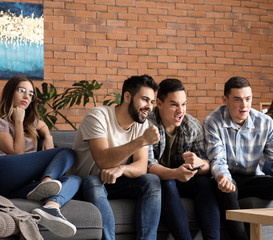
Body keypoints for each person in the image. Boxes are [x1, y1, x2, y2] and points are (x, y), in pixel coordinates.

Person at [69, 74, 162, 240]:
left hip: (116, 183)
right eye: (145, 100)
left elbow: (141, 167)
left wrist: (122, 168)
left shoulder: (142, 124)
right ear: (127, 96)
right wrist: (141, 141)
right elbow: (103, 160)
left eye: (152, 102)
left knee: (152, 180)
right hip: (87, 184)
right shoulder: (98, 117)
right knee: (92, 180)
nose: (149, 106)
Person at [203, 76, 273, 240]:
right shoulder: (213, 121)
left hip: (252, 178)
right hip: (227, 178)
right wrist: (223, 177)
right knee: (228, 188)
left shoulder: (265, 123)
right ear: (225, 100)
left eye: (248, 99)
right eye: (237, 99)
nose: (244, 105)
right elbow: (217, 159)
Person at [0, 75, 81, 238]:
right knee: (66, 152)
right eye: (21, 91)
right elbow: (17, 153)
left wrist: (48, 136)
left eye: (30, 94)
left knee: (76, 180)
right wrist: (18, 121)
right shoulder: (2, 122)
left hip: (21, 185)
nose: (26, 97)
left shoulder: (29, 122)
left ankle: (50, 207)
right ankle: (47, 181)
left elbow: (41, 124)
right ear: (10, 92)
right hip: (5, 173)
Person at [147, 78, 220, 240]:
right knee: (167, 183)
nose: (181, 111)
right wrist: (174, 173)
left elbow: (209, 167)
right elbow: (148, 165)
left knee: (205, 183)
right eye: (174, 104)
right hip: (159, 180)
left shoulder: (192, 126)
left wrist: (200, 163)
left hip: (183, 179)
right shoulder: (147, 125)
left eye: (184, 104)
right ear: (159, 103)